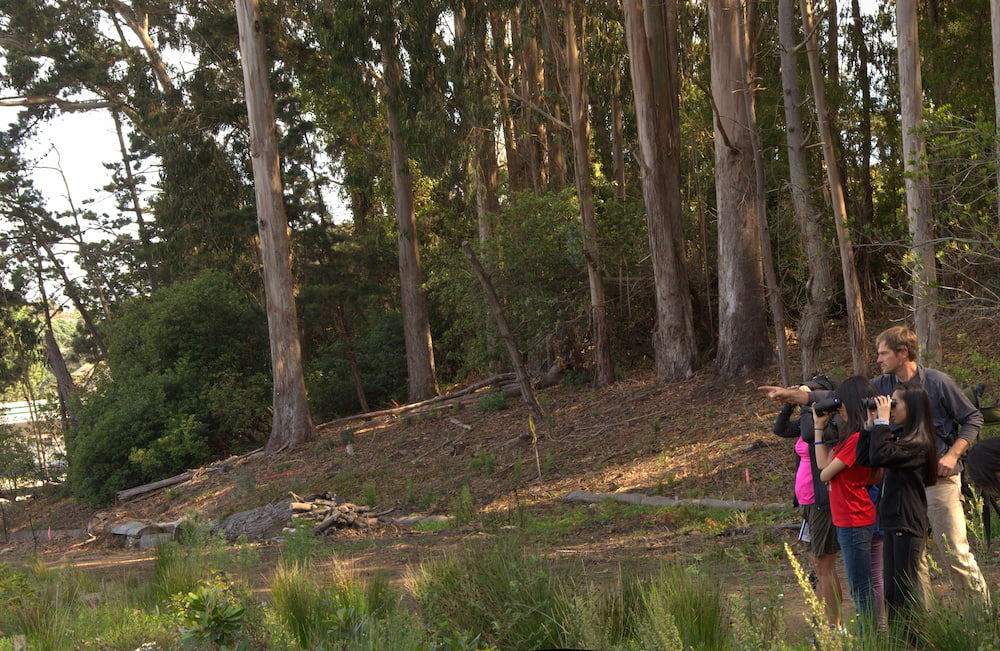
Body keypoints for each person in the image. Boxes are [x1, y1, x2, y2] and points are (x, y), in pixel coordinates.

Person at [870, 326, 989, 601]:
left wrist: (952, 455)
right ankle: (927, 628)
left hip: (940, 479)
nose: (878, 359)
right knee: (914, 557)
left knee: (955, 552)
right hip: (904, 483)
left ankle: (981, 624)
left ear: (903, 353)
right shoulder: (881, 386)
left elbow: (972, 418)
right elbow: (848, 398)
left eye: (883, 353)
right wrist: (801, 395)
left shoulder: (937, 382)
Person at [862, 385, 938, 628]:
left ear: (912, 408)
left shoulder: (918, 444)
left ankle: (915, 642)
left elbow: (880, 456)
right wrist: (871, 425)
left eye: (895, 404)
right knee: (893, 593)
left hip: (906, 521)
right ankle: (899, 642)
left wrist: (883, 423)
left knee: (905, 591)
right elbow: (866, 459)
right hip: (893, 520)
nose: (891, 409)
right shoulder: (902, 440)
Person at [773, 375, 842, 628]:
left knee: (825, 563)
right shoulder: (809, 422)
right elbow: (780, 429)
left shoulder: (829, 423)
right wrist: (789, 401)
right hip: (806, 502)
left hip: (822, 500)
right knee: (816, 561)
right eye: (808, 392)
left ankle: (832, 625)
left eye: (815, 393)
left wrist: (806, 404)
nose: (809, 397)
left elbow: (808, 434)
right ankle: (825, 621)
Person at [812, 375, 880, 628]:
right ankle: (869, 637)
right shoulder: (850, 437)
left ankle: (869, 640)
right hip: (848, 517)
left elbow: (825, 473)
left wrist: (829, 466)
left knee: (860, 587)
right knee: (860, 585)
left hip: (854, 518)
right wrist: (820, 427)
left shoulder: (857, 439)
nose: (838, 407)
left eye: (841, 401)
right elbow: (821, 463)